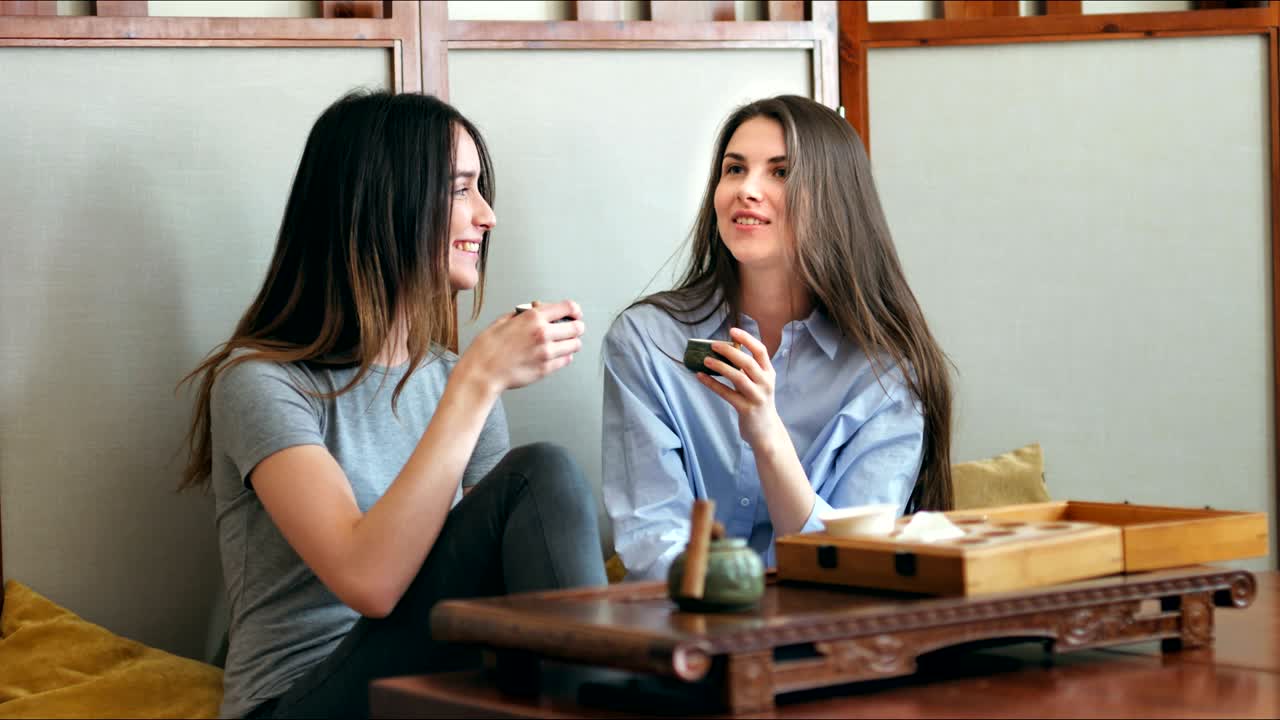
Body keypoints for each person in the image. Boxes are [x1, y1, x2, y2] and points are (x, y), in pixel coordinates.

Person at [178, 89, 605, 719]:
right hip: (298, 700)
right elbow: (369, 582)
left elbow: (499, 584)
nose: (487, 216)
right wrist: (476, 385)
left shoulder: (452, 377)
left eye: (481, 190)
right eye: (461, 190)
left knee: (543, 489)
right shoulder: (262, 385)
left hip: (437, 683)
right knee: (539, 475)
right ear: (383, 204)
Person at [602, 94, 953, 581]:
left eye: (780, 172)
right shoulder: (647, 342)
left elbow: (851, 561)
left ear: (835, 198)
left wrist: (766, 433)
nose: (748, 189)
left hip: (830, 632)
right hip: (688, 628)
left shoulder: (886, 373)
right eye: (734, 169)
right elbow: (653, 536)